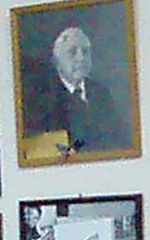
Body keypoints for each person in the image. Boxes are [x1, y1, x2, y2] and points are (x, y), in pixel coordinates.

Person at [22, 26, 125, 154]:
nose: (80, 58)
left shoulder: (101, 93)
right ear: (56, 61)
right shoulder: (42, 98)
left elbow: (117, 139)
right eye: (72, 52)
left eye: (85, 52)